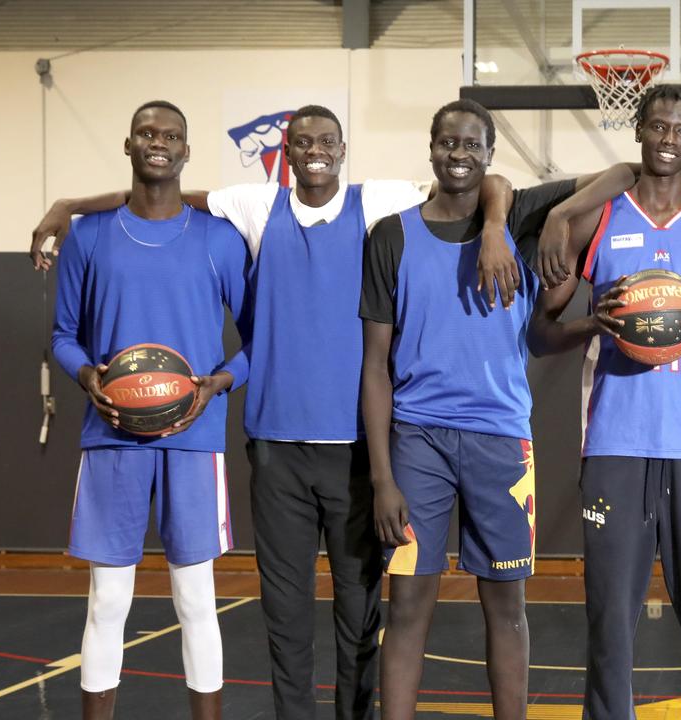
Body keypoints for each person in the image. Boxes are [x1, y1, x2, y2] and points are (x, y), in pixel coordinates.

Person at [32, 104, 516, 720]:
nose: (315, 151)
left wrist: (497, 224)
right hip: (277, 448)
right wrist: (71, 206)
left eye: (327, 142)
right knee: (284, 621)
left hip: (356, 450)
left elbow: (479, 179)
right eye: (302, 142)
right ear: (285, 153)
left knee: (357, 617)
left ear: (343, 151)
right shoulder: (256, 207)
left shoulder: (380, 204)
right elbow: (166, 185)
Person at [360, 98, 638, 720]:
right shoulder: (391, 235)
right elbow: (375, 366)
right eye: (447, 144)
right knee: (406, 607)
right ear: (430, 149)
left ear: (489, 155)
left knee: (507, 608)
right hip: (417, 441)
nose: (458, 155)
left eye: (471, 146)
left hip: (501, 441)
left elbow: (623, 171)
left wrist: (534, 218)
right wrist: (381, 478)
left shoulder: (522, 218)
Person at [529, 84, 681, 720]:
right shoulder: (596, 221)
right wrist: (593, 325)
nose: (668, 137)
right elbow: (540, 333)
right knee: (610, 623)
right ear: (638, 130)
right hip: (615, 445)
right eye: (657, 125)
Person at [51, 100, 251, 719]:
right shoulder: (88, 236)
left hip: (194, 438)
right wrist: (87, 376)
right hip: (111, 436)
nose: (158, 142)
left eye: (171, 135)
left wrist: (216, 384)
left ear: (186, 151)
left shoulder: (219, 238)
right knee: (108, 600)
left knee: (196, 597)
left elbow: (257, 338)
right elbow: (63, 336)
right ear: (129, 143)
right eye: (147, 132)